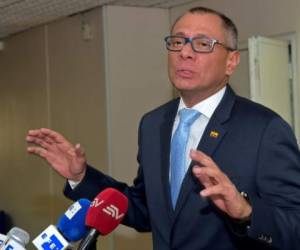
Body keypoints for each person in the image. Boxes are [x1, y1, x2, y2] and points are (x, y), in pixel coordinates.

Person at [26, 6, 300, 250]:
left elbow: (294, 227)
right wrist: (82, 177)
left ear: (232, 61)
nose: (185, 52)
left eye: (202, 44)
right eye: (178, 41)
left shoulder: (266, 129)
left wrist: (246, 213)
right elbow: (146, 210)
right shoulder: (154, 123)